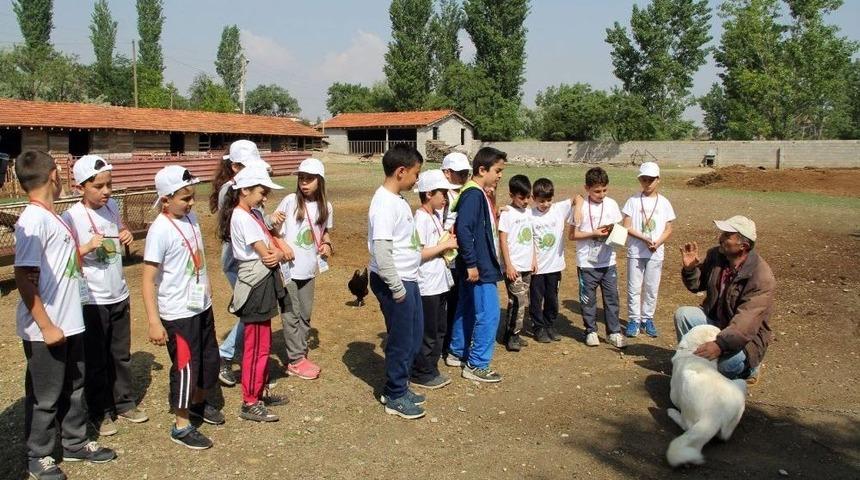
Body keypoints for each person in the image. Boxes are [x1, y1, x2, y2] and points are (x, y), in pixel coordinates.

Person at [14, 150, 116, 480]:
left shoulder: (51, 216)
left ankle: (74, 442)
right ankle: (39, 455)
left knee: (74, 385)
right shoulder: (33, 219)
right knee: (45, 396)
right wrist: (46, 325)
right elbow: (23, 276)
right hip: (48, 329)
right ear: (55, 176)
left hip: (71, 321)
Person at [62, 155, 148, 438]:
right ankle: (99, 410)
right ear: (80, 186)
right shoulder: (71, 217)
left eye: (109, 185)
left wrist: (125, 233)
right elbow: (63, 259)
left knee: (120, 354)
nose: (106, 191)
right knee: (96, 358)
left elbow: (119, 228)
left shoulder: (111, 206)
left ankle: (124, 402)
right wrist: (85, 247)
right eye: (98, 186)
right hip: (92, 300)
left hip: (118, 293)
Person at [142, 165, 225, 450]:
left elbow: (198, 253)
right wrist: (153, 321)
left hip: (201, 304)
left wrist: (208, 284)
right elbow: (148, 279)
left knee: (209, 360)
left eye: (192, 197)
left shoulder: (191, 218)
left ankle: (199, 404)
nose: (191, 203)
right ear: (165, 200)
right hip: (177, 313)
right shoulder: (159, 230)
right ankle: (181, 424)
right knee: (185, 367)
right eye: (185, 198)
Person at [212, 141, 286, 388]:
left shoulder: (244, 190)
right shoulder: (231, 191)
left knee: (252, 313)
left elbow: (257, 218)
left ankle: (248, 366)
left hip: (249, 260)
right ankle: (226, 356)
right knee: (251, 313)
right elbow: (244, 224)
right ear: (235, 167)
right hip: (240, 263)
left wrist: (268, 218)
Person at [221, 165, 290, 421]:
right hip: (256, 285)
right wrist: (282, 253)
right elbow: (269, 256)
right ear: (245, 190)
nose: (264, 198)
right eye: (261, 192)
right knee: (255, 345)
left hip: (262, 283)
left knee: (263, 343)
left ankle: (259, 391)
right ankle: (250, 401)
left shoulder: (253, 214)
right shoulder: (242, 217)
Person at [675, 215, 774, 385]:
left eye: (727, 236)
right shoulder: (717, 255)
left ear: (744, 246)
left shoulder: (761, 277)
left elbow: (746, 324)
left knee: (725, 367)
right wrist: (690, 269)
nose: (720, 238)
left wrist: (720, 345)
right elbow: (697, 285)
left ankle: (751, 367)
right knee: (683, 315)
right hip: (718, 322)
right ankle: (694, 361)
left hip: (746, 338)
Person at [368, 144, 425, 419]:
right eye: (416, 173)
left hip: (407, 279)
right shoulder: (383, 205)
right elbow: (381, 250)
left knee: (413, 336)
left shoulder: (397, 199)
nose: (417, 180)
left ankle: (400, 384)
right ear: (401, 171)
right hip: (396, 282)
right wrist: (397, 288)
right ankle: (394, 394)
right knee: (402, 340)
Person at [447, 147, 506, 383]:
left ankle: (457, 351)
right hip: (480, 267)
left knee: (468, 308)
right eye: (498, 170)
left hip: (476, 264)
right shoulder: (473, 194)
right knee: (489, 313)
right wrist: (472, 263)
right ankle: (477, 364)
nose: (500, 175)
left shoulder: (477, 192)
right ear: (482, 169)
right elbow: (464, 229)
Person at [274, 158, 333, 381]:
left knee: (305, 314)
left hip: (309, 269)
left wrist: (327, 243)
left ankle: (299, 352)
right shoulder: (290, 201)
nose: (304, 183)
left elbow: (324, 232)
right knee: (291, 314)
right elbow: (272, 230)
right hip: (288, 269)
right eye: (301, 179)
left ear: (320, 181)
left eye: (309, 179)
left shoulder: (326, 206)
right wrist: (282, 245)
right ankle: (296, 359)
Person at [410, 169, 459, 389]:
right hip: (427, 284)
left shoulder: (435, 216)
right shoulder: (420, 219)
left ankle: (431, 367)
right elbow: (418, 254)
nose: (445, 198)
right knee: (428, 331)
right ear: (429, 194)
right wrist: (445, 246)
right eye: (442, 194)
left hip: (439, 282)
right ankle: (422, 371)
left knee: (439, 327)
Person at [569, 167, 625, 349]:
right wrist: (593, 233)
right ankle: (590, 330)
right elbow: (572, 235)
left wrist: (612, 233)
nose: (601, 194)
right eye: (597, 191)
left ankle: (614, 332)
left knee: (611, 298)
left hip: (608, 261)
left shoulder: (612, 204)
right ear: (587, 188)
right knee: (588, 299)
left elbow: (619, 229)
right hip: (587, 263)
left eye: (604, 190)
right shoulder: (581, 207)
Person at [622, 162, 675, 338]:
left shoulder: (664, 203)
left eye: (651, 179)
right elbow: (627, 227)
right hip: (636, 251)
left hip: (655, 251)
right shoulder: (632, 201)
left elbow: (668, 228)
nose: (647, 183)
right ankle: (633, 319)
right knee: (634, 287)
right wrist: (645, 239)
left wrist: (657, 242)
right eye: (644, 179)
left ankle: (647, 319)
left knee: (652, 287)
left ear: (658, 179)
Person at [529, 178, 574, 344]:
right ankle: (538, 326)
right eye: (541, 201)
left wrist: (578, 211)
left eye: (549, 200)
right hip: (537, 268)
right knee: (536, 298)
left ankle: (549, 324)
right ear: (534, 198)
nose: (545, 204)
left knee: (552, 298)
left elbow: (578, 198)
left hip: (555, 267)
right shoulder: (530, 215)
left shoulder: (559, 209)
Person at [498, 174, 534, 351]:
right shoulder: (507, 213)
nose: (526, 201)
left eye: (528, 197)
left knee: (520, 302)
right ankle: (512, 335)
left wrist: (534, 259)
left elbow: (532, 237)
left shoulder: (528, 213)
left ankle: (512, 334)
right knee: (518, 300)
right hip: (514, 267)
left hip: (527, 265)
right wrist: (508, 265)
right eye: (522, 197)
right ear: (512, 195)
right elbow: (503, 240)